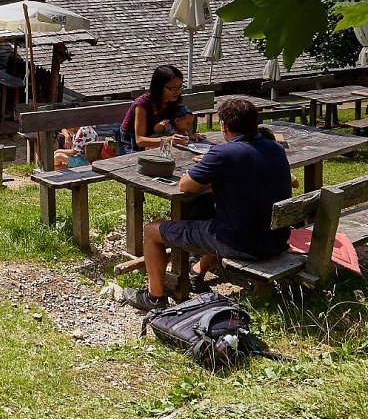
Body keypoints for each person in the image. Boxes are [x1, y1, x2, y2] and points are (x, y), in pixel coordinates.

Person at [124, 98, 292, 310]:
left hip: (240, 243)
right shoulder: (275, 149)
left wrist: (207, 165)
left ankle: (154, 297)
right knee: (222, 217)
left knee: (151, 231)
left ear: (224, 126)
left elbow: (186, 186)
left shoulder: (223, 153)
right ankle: (196, 271)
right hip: (276, 239)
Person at [118, 65, 191, 154]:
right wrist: (169, 139)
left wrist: (188, 137)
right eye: (172, 88)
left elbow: (174, 126)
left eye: (180, 87)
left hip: (156, 140)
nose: (177, 92)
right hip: (130, 143)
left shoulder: (172, 102)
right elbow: (140, 141)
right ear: (159, 87)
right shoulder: (142, 105)